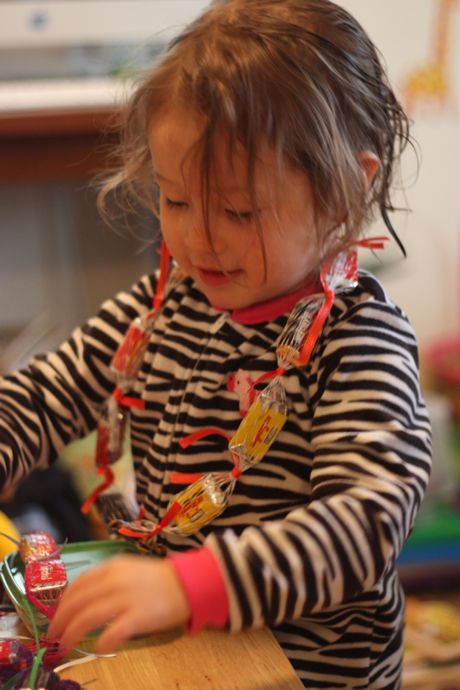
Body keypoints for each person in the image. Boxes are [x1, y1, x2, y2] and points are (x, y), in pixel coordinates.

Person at [0, 1, 431, 688]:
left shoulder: (360, 341)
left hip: (303, 673)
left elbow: (367, 522)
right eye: (174, 201)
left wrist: (189, 586)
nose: (198, 238)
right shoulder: (168, 302)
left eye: (236, 210)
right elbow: (47, 392)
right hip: (190, 650)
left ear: (350, 187)